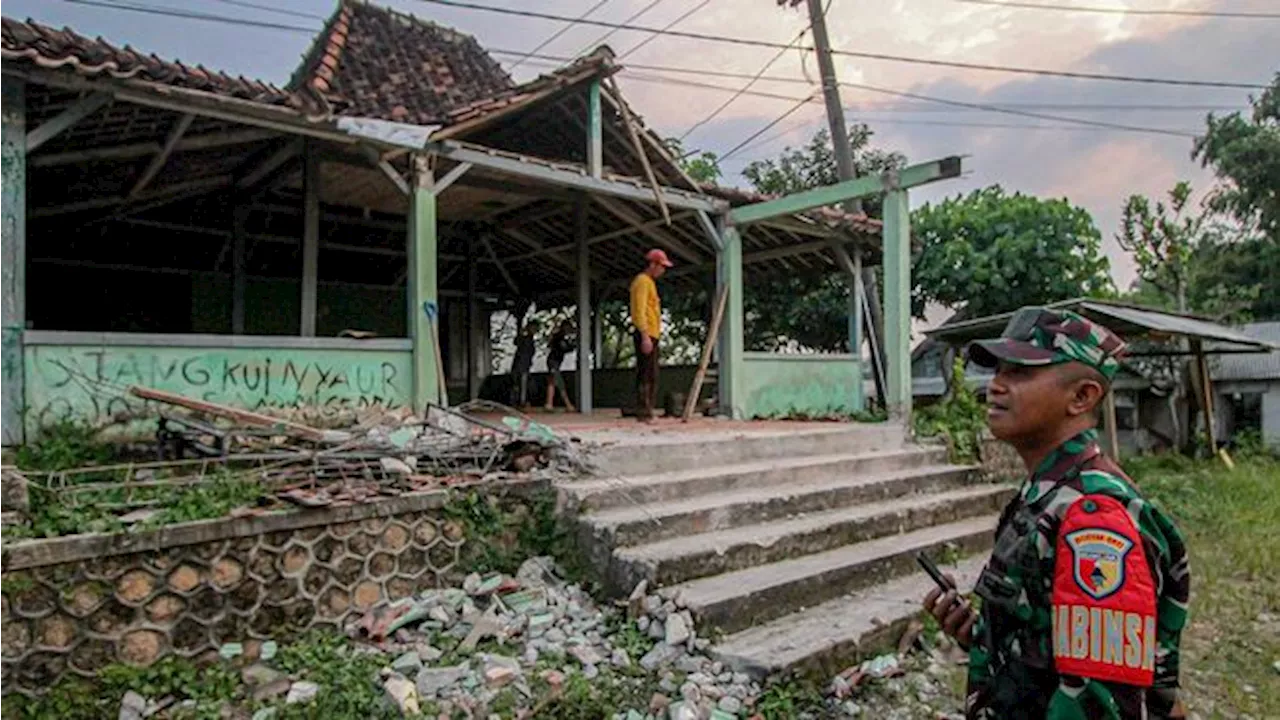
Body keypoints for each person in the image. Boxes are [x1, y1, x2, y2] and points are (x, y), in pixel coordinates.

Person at [923, 307, 1190, 720]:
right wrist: (981, 634)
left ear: (1082, 396)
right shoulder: (1049, 494)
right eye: (998, 369)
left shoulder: (1095, 518)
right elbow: (1050, 646)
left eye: (1020, 372)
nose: (995, 385)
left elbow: (1099, 703)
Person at [629, 248, 673, 422]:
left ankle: (647, 409)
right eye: (661, 266)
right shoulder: (642, 281)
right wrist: (645, 335)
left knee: (650, 373)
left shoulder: (649, 283)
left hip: (652, 334)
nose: (662, 270)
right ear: (652, 264)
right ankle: (644, 411)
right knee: (647, 373)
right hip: (646, 334)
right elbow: (639, 310)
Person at [543, 319, 576, 413]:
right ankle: (568, 404)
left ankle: (549, 403)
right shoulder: (559, 337)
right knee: (559, 382)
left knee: (552, 382)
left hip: (555, 361)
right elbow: (565, 348)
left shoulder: (561, 337)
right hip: (553, 362)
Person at [510, 318, 538, 408]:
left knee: (523, 384)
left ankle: (522, 401)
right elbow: (516, 342)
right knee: (520, 384)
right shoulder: (525, 339)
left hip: (525, 365)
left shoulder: (530, 340)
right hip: (520, 365)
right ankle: (521, 402)